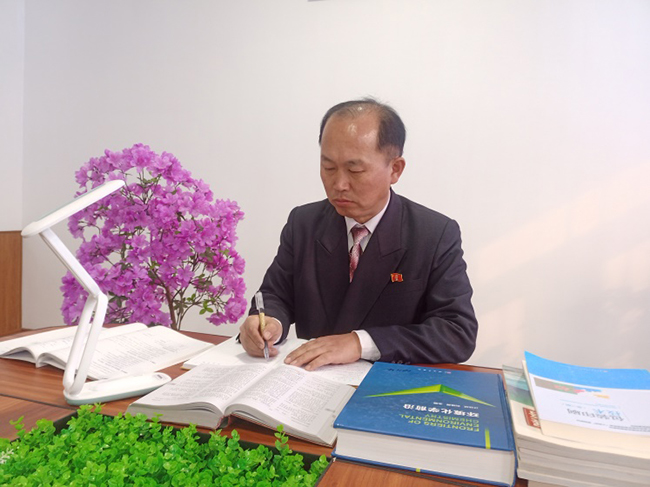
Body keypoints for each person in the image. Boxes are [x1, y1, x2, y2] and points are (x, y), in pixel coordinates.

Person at [239, 98, 478, 370]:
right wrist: (268, 323)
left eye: (355, 170)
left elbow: (456, 332)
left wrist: (359, 343)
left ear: (395, 169)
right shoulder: (303, 223)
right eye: (328, 167)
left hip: (384, 386)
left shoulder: (433, 234)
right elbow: (275, 295)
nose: (339, 184)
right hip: (309, 379)